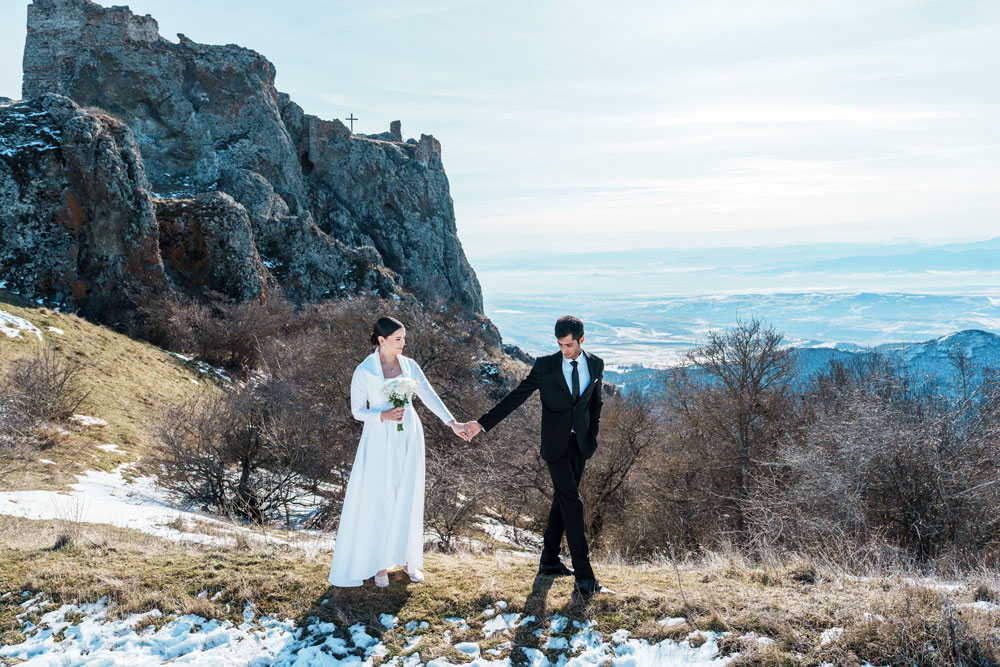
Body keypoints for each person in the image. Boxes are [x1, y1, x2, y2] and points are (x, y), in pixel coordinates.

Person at [464, 316, 613, 597]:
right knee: (573, 504)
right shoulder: (546, 366)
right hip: (555, 446)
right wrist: (481, 424)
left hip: (581, 445)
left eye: (569, 345)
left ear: (581, 340)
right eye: (560, 345)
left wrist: (592, 435)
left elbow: (596, 403)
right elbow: (516, 396)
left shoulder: (596, 364)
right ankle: (585, 579)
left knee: (563, 500)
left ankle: (549, 561)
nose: (564, 350)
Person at [328, 317, 470, 588]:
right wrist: (382, 415)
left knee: (408, 493)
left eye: (404, 338)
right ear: (381, 340)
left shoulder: (410, 366)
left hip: (409, 435)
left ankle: (407, 559)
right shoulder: (364, 370)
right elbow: (357, 411)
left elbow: (428, 396)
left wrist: (452, 423)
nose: (403, 343)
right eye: (398, 339)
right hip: (379, 438)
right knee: (381, 496)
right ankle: (379, 563)